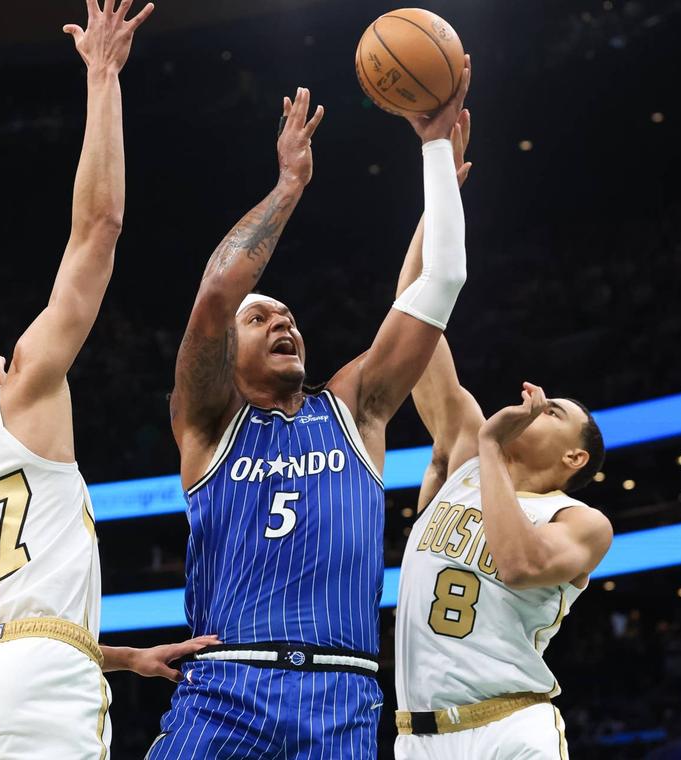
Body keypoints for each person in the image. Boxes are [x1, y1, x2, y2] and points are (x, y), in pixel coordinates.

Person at [0, 3, 214, 758]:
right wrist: (103, 78)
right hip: (34, 679)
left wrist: (127, 658)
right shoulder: (19, 392)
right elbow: (98, 229)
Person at [148, 59, 472, 759]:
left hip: (343, 697)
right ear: (227, 351)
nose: (281, 323)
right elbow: (213, 297)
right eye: (260, 318)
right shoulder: (206, 424)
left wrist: (436, 150)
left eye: (288, 317)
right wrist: (290, 184)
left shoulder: (355, 409)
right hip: (224, 688)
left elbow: (439, 283)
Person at [391, 109, 613, 759]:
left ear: (575, 456)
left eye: (555, 411)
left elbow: (520, 565)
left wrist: (489, 446)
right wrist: (441, 196)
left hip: (510, 729)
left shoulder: (579, 521)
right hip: (416, 739)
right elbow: (412, 307)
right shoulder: (464, 445)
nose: (536, 403)